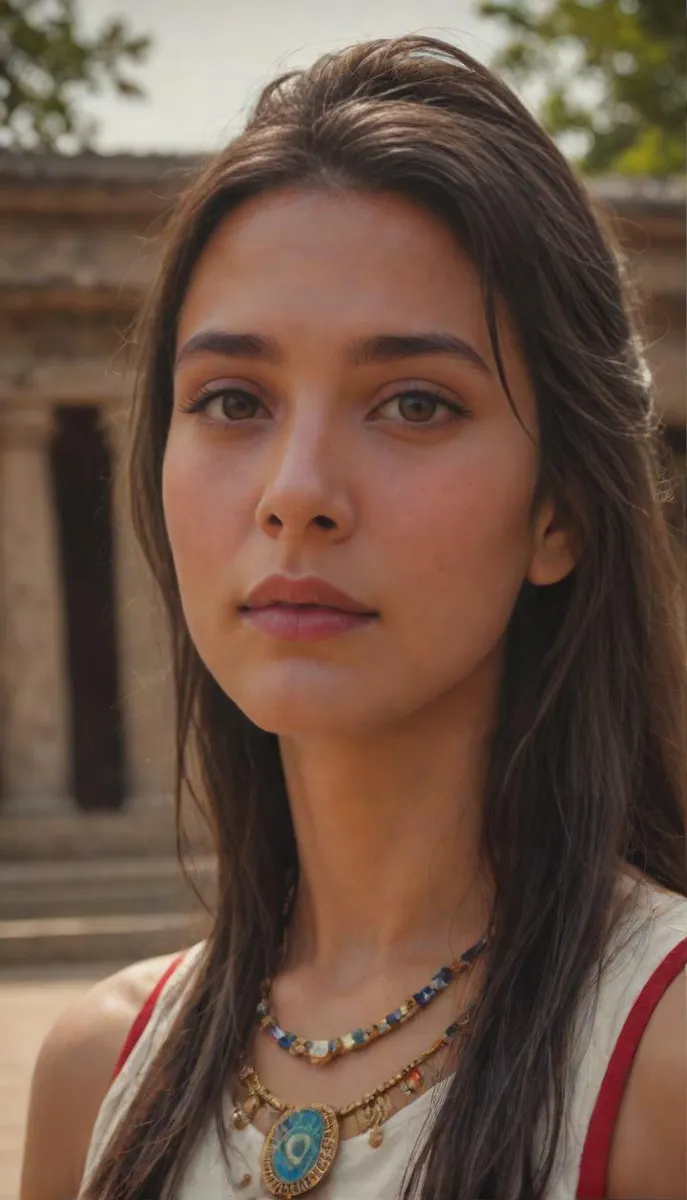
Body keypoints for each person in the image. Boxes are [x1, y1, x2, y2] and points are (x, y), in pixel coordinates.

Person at [20, 34, 686, 1200]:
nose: (296, 495)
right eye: (232, 400)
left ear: (561, 513)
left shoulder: (658, 1062)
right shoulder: (100, 1077)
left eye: (415, 403)